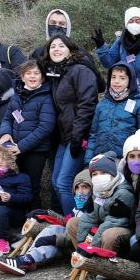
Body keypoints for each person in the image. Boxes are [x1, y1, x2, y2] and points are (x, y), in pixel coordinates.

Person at [0, 170, 94, 276]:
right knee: (53, 228)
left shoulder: (94, 209)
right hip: (68, 241)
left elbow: (81, 233)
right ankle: (26, 260)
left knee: (52, 244)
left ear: (92, 189)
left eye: (85, 187)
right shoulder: (79, 208)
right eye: (77, 188)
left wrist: (54, 239)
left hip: (80, 246)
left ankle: (24, 261)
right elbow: (66, 222)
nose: (80, 191)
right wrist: (48, 213)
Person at [41, 35, 99, 213]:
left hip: (79, 136)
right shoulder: (58, 73)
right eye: (52, 47)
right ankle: (70, 223)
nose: (56, 49)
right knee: (56, 183)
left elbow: (87, 104)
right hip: (64, 137)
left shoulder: (80, 70)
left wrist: (77, 136)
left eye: (61, 46)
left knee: (64, 183)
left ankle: (75, 227)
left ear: (71, 50)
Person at [0, 60, 56, 209]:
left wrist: (22, 146)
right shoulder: (16, 96)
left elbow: (46, 126)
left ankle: (35, 217)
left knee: (32, 185)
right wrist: (5, 133)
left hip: (35, 151)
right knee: (16, 184)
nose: (32, 76)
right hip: (14, 148)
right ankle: (18, 219)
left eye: (36, 73)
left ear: (42, 77)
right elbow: (7, 118)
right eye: (28, 73)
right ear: (22, 77)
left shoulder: (46, 97)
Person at [92, 7, 140, 114]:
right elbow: (109, 63)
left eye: (138, 21)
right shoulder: (121, 41)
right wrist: (101, 47)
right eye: (131, 21)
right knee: (129, 123)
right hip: (129, 92)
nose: (134, 24)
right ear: (126, 24)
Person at [72, 152, 135, 262]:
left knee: (109, 234)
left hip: (123, 228)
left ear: (112, 173)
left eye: (103, 172)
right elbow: (89, 218)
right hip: (103, 224)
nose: (98, 177)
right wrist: (83, 244)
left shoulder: (123, 193)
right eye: (95, 174)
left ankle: (103, 270)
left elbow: (113, 222)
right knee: (73, 223)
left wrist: (92, 246)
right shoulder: (97, 191)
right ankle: (83, 260)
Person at [86, 63, 140, 160]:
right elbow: (93, 135)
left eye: (122, 78)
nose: (116, 81)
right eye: (113, 77)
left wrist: (139, 162)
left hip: (126, 160)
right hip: (101, 158)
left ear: (130, 81)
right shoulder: (101, 105)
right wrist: (88, 161)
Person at [31, 8, 105, 90]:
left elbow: (98, 86)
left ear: (68, 27)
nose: (57, 26)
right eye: (53, 23)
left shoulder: (81, 53)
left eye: (62, 24)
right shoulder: (38, 53)